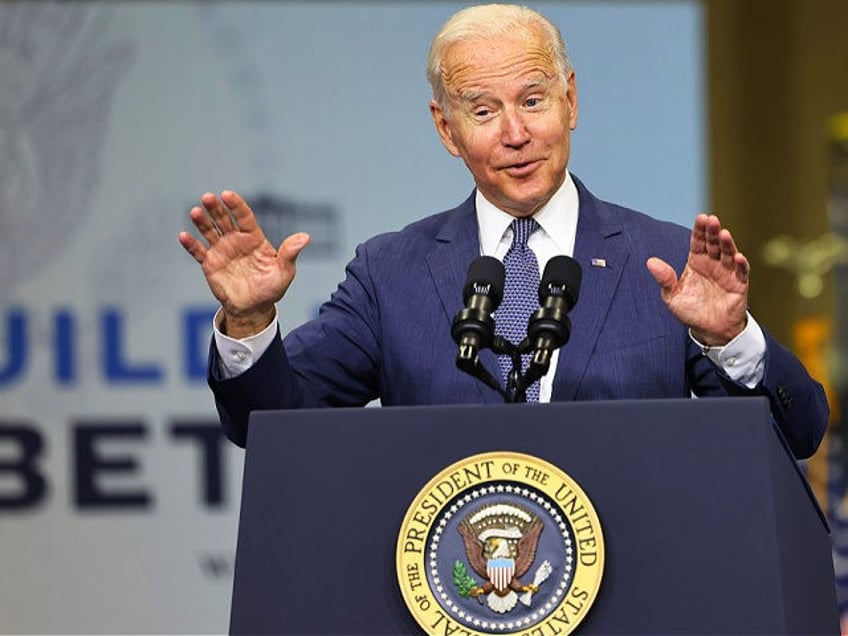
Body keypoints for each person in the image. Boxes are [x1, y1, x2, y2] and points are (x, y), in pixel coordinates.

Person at [178, 3, 828, 459]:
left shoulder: (660, 260)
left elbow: (795, 435)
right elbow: (271, 427)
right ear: (446, 130)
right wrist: (249, 322)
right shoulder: (391, 272)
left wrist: (729, 337)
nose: (515, 133)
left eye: (534, 100)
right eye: (483, 110)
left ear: (571, 101)